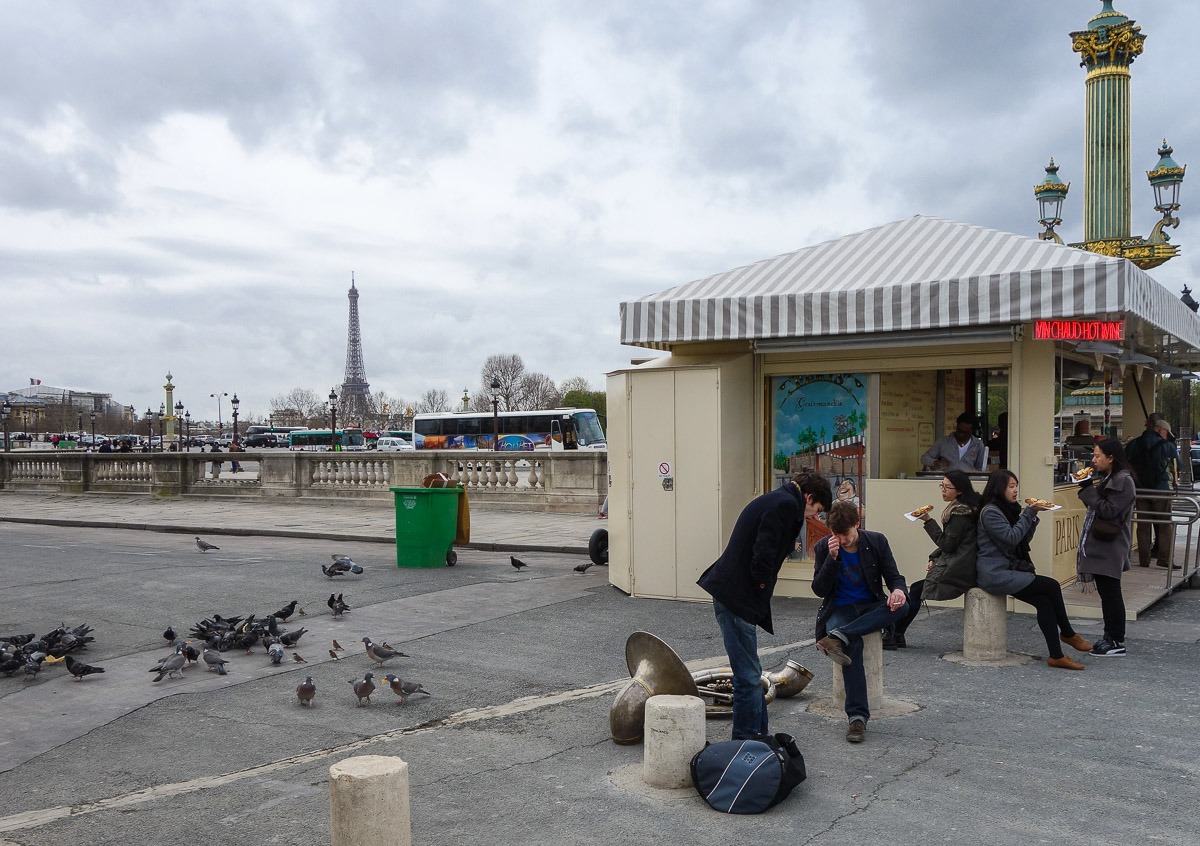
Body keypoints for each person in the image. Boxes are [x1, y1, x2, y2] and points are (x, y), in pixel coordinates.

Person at [697, 472, 833, 740]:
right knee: (748, 678)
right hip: (738, 596)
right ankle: (747, 743)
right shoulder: (784, 505)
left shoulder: (778, 499)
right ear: (808, 497)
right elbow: (763, 555)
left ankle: (760, 737)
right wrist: (760, 590)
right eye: (814, 511)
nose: (811, 518)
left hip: (735, 594)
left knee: (752, 674)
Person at [812, 500, 909, 743]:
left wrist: (898, 591)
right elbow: (819, 589)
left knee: (903, 604)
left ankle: (838, 636)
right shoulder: (826, 546)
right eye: (836, 534)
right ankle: (857, 718)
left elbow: (894, 576)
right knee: (851, 644)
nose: (841, 540)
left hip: (871, 605)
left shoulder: (876, 541)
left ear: (857, 524)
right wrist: (832, 559)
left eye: (845, 534)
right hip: (840, 608)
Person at [976, 469, 1092, 670]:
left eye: (1016, 486)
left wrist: (1034, 516)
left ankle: (1056, 656)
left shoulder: (1007, 509)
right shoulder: (991, 512)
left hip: (1006, 569)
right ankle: (1068, 633)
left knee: (1045, 602)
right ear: (998, 488)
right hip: (994, 573)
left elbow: (1021, 540)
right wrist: (1029, 512)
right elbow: (1011, 537)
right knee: (1051, 585)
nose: (1015, 491)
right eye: (1011, 486)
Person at [886, 469, 981, 648]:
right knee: (915, 589)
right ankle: (897, 634)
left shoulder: (960, 513)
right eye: (942, 486)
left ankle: (895, 634)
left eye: (947, 487)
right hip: (960, 562)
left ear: (959, 490)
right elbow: (954, 543)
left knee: (915, 591)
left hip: (959, 568)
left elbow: (948, 545)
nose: (943, 490)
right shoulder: (964, 507)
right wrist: (934, 556)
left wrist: (927, 520)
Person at [1076, 438, 1137, 656]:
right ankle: (1108, 636)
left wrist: (1086, 488)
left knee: (1111, 593)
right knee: (1106, 593)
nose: (1093, 460)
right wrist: (1088, 488)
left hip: (1111, 544)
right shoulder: (1110, 477)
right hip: (1102, 543)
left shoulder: (1124, 481)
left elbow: (1109, 511)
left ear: (1111, 458)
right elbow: (1098, 507)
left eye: (1097, 456)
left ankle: (1116, 641)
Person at [1125, 414, 1179, 569]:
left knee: (1143, 525)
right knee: (1164, 526)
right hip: (1161, 490)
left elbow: (1125, 463)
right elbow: (1178, 465)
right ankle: (1164, 559)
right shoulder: (1166, 446)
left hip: (1140, 489)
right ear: (1161, 430)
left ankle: (1144, 560)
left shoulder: (1133, 444)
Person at [921, 412, 986, 472]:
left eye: (965, 433)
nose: (961, 434)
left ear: (972, 431)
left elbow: (981, 469)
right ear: (957, 426)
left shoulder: (978, 445)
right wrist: (935, 462)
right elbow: (925, 458)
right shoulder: (942, 442)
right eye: (959, 431)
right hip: (946, 480)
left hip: (968, 481)